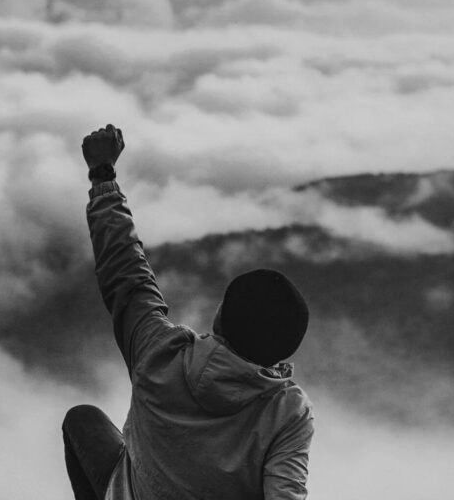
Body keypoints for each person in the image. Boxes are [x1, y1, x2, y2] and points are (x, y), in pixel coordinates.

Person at [62, 124, 314, 500]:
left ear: (221, 318)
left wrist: (103, 175)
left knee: (81, 421)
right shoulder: (287, 413)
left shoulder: (158, 352)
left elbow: (126, 274)